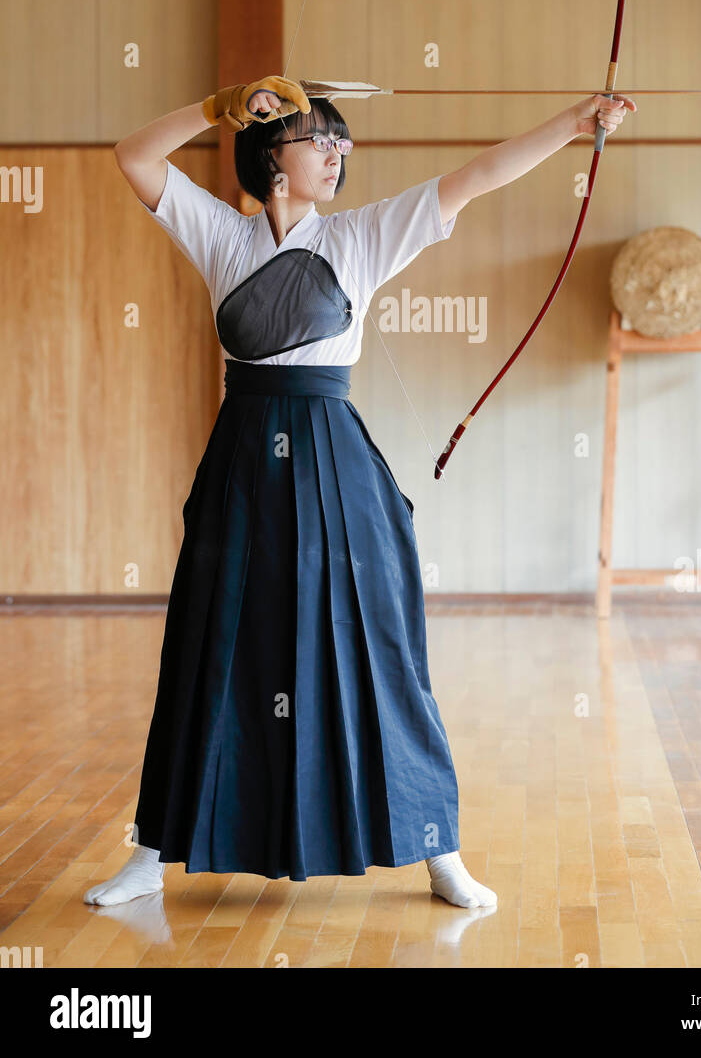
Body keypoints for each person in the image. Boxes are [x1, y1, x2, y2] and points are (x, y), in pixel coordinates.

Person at [83, 77, 634, 911]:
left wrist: (575, 122)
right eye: (321, 140)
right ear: (271, 156)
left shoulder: (364, 236)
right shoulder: (224, 238)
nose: (340, 154)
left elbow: (481, 175)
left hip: (335, 466)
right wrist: (217, 105)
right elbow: (132, 156)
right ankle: (152, 849)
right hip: (243, 462)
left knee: (376, 652)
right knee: (210, 648)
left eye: (345, 142)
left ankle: (436, 846)